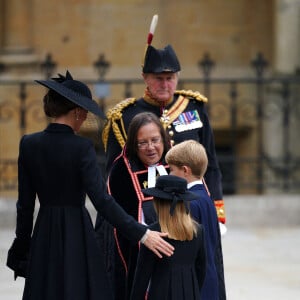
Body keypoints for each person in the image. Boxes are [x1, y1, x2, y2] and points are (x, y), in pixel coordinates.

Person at [6, 71, 174, 300]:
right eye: (84, 111)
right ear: (76, 112)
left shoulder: (28, 144)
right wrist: (142, 234)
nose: (85, 117)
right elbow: (103, 201)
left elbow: (24, 206)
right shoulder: (82, 147)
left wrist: (22, 247)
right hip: (78, 233)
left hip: (44, 232)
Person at [102, 22, 226, 225]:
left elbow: (210, 165)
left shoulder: (193, 108)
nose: (165, 84)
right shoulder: (124, 117)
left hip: (191, 208)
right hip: (147, 211)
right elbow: (115, 173)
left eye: (170, 78)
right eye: (158, 78)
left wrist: (216, 212)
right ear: (145, 78)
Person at [95, 112, 171, 300]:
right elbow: (119, 218)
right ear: (133, 145)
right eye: (142, 143)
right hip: (137, 250)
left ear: (163, 138)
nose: (150, 148)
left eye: (155, 140)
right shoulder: (122, 169)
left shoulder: (175, 160)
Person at [165, 140, 226, 300]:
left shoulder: (188, 203)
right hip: (210, 278)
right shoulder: (206, 198)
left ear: (185, 170)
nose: (170, 175)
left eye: (171, 170)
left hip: (195, 282)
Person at [130, 175, 207, 300]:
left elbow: (141, 280)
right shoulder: (198, 231)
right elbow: (201, 270)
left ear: (157, 203)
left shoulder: (152, 234)